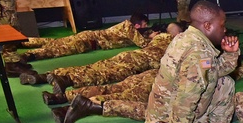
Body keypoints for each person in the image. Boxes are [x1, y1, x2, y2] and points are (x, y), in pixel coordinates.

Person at [84, 0, 243, 123]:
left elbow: (214, 72)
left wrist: (230, 53)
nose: (224, 30)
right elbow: (186, 98)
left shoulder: (189, 38)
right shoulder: (199, 53)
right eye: (222, 25)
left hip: (173, 112)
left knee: (225, 83)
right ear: (207, 25)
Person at [58, 60, 243, 123]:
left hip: (220, 102)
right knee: (161, 117)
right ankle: (94, 106)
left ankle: (89, 103)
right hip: (224, 112)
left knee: (161, 108)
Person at [19, 22, 182, 91]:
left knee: (93, 67)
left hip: (129, 56)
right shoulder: (173, 42)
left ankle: (45, 75)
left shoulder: (161, 39)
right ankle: (65, 79)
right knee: (101, 75)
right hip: (136, 63)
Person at [3, 13, 150, 72]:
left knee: (57, 42)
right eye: (144, 25)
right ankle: (26, 56)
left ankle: (23, 42)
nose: (145, 28)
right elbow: (143, 44)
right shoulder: (129, 28)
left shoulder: (127, 27)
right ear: (137, 25)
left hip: (88, 37)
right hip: (88, 42)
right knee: (57, 49)